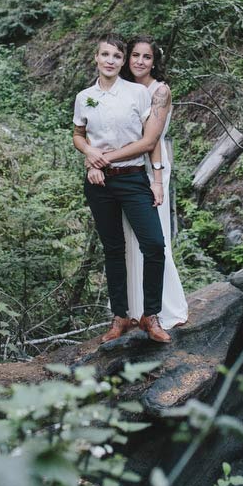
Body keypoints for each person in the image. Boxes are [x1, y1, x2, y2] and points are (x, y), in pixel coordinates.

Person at [73, 34, 171, 344]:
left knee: (154, 244)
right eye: (106, 54)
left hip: (132, 178)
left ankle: (150, 316)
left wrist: (156, 181)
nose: (111, 60)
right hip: (100, 184)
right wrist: (91, 158)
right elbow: (78, 135)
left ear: (121, 60)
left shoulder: (137, 94)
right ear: (96, 58)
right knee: (113, 250)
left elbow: (149, 140)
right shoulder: (84, 96)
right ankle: (119, 318)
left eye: (117, 55)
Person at [117, 36, 188, 329]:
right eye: (135, 55)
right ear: (127, 58)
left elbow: (150, 140)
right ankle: (135, 309)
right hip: (124, 168)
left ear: (154, 62)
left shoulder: (160, 91)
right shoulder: (123, 90)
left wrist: (106, 156)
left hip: (152, 168)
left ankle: (163, 307)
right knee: (129, 238)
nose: (140, 62)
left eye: (146, 57)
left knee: (154, 240)